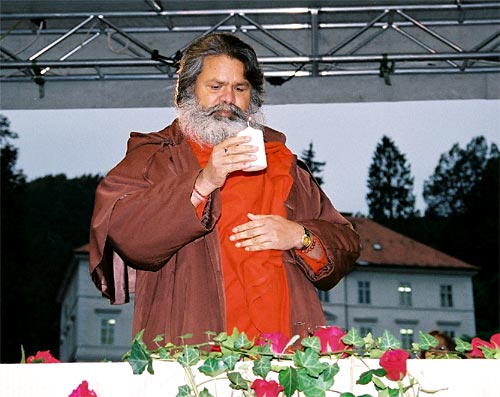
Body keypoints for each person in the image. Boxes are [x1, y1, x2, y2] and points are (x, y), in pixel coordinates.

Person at [89, 33, 360, 348]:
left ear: (253, 97)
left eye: (240, 88)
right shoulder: (155, 156)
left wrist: (300, 236)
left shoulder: (281, 161)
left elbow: (347, 242)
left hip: (284, 349)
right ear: (187, 92)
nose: (228, 98)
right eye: (215, 87)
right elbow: (126, 233)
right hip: (192, 344)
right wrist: (203, 182)